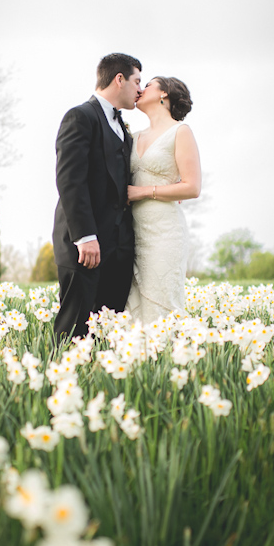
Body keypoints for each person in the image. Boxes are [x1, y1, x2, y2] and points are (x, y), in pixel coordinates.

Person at [52, 53, 142, 340]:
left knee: (107, 333)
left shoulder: (124, 129)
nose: (140, 89)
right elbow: (70, 179)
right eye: (137, 81)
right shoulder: (81, 116)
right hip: (84, 247)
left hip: (118, 249)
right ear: (119, 79)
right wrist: (85, 236)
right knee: (74, 330)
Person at [125, 76, 201, 325]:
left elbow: (192, 187)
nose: (140, 89)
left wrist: (143, 192)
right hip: (132, 233)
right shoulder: (133, 137)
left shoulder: (180, 132)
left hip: (164, 234)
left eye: (147, 84)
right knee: (131, 310)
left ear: (163, 94)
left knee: (161, 309)